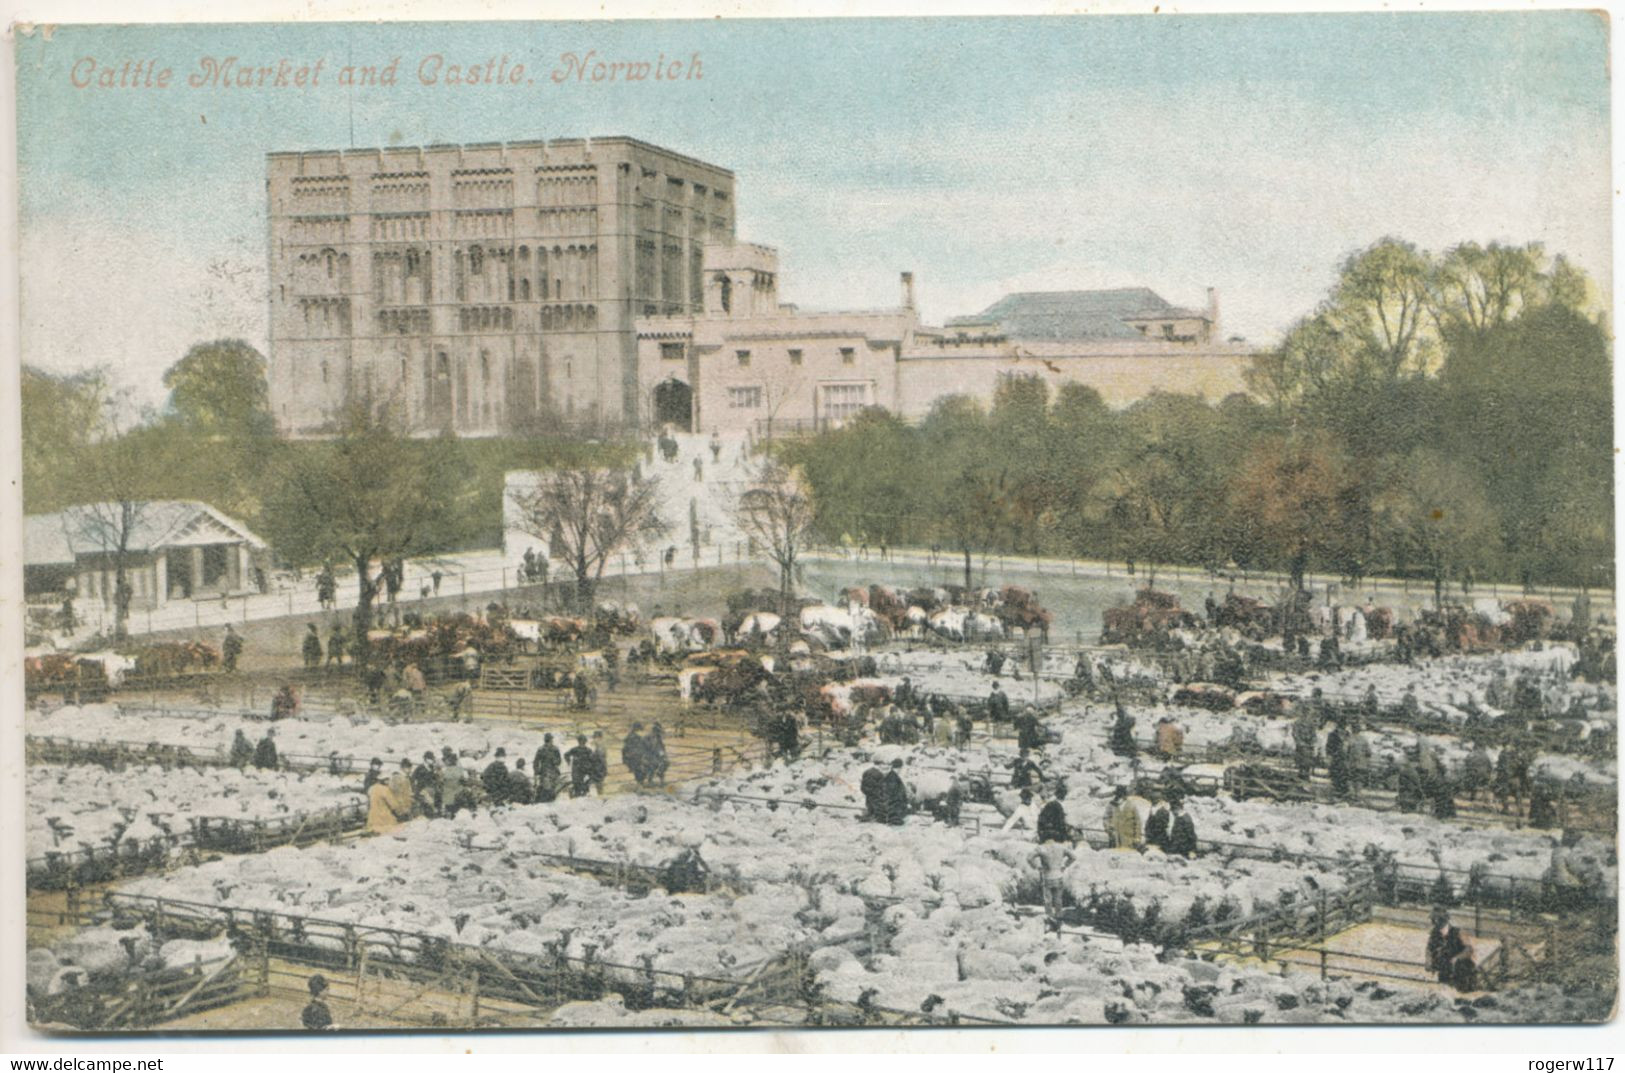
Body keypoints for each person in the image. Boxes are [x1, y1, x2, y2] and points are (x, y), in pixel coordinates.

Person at [1424, 907, 1477, 992]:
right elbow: (1429, 949)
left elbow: (1469, 949)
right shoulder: (1434, 934)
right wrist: (1428, 960)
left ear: (1443, 920)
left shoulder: (1458, 932)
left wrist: (1457, 958)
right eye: (1433, 920)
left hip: (1462, 970)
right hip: (1445, 969)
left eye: (1435, 920)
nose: (1433, 923)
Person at [1031, 838, 1076, 925]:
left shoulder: (1041, 848)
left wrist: (1037, 867)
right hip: (1058, 875)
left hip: (1047, 876)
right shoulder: (1061, 847)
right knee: (1058, 899)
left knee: (1048, 900)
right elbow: (1073, 857)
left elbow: (1029, 858)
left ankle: (1050, 919)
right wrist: (1065, 865)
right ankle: (1059, 919)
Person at [441, 749, 474, 817]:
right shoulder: (460, 770)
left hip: (448, 796)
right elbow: (464, 781)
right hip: (458, 794)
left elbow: (442, 781)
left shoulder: (445, 770)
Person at [533, 734, 562, 803]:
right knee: (547, 788)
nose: (552, 741)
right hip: (546, 772)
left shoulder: (555, 749)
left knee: (552, 787)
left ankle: (550, 801)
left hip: (552, 771)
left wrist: (555, 761)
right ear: (549, 740)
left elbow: (559, 761)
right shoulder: (542, 749)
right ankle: (547, 801)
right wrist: (537, 771)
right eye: (551, 740)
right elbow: (536, 762)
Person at [410, 751, 440, 817]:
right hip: (422, 790)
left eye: (432, 759)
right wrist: (414, 789)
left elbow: (435, 779)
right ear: (426, 759)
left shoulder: (432, 768)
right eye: (431, 759)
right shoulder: (420, 768)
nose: (432, 760)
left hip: (431, 789)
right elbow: (412, 779)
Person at [882, 759, 909, 826]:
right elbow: (893, 794)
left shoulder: (890, 775)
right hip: (893, 808)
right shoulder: (893, 777)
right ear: (900, 768)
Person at [589, 731, 609, 795]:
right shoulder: (601, 744)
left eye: (596, 737)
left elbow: (600, 756)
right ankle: (600, 794)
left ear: (599, 737)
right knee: (599, 783)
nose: (595, 739)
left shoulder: (600, 745)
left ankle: (601, 795)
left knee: (599, 783)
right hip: (599, 765)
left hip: (599, 766)